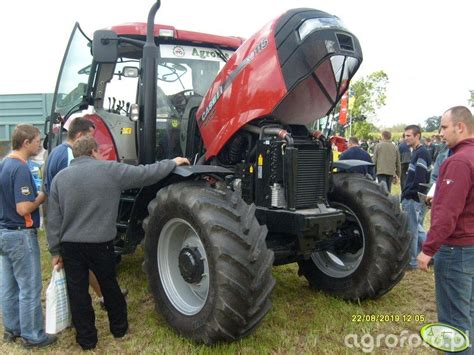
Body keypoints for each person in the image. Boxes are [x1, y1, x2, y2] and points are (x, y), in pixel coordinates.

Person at [46, 136, 189, 350]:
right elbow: (146, 173)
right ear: (94, 151)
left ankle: (87, 340)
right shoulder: (110, 170)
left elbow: (53, 218)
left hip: (70, 246)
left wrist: (55, 250)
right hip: (100, 242)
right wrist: (172, 162)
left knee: (77, 292)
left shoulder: (60, 178)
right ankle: (119, 328)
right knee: (109, 285)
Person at [43, 117, 116, 306]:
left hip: (62, 222)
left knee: (76, 271)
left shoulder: (55, 153)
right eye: (90, 137)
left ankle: (100, 297)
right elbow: (77, 190)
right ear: (81, 135)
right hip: (73, 226)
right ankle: (103, 298)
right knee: (80, 271)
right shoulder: (70, 158)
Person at [417, 106, 474, 350]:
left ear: (459, 127)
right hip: (470, 245)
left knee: (454, 324)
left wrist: (428, 249)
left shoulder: (458, 161)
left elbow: (448, 213)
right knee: (468, 313)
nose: (440, 133)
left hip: (456, 250)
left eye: (443, 127)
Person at [0, 125, 57, 348]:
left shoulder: (4, 163)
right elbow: (23, 208)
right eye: (37, 141)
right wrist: (42, 196)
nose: (40, 145)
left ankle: (12, 329)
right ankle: (33, 335)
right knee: (29, 287)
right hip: (20, 234)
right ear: (26, 143)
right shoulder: (21, 168)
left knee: (8, 286)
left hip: (4, 232)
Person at [401, 124, 431, 269]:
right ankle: (432, 255)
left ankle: (412, 261)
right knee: (418, 229)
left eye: (408, 136)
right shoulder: (417, 152)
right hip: (413, 196)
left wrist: (409, 193)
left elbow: (420, 179)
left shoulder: (422, 153)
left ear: (417, 136)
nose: (405, 138)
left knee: (411, 229)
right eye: (405, 135)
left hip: (413, 197)